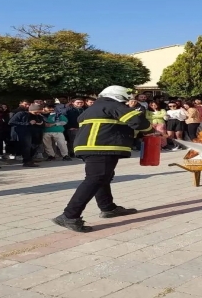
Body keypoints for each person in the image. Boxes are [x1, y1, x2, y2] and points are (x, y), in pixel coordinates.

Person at [52, 85, 153, 232]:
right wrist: (151, 130)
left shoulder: (95, 108)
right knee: (95, 179)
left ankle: (108, 208)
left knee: (103, 177)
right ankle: (69, 216)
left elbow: (113, 126)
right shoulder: (112, 105)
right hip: (101, 147)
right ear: (119, 96)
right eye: (125, 98)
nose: (126, 102)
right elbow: (137, 121)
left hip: (90, 147)